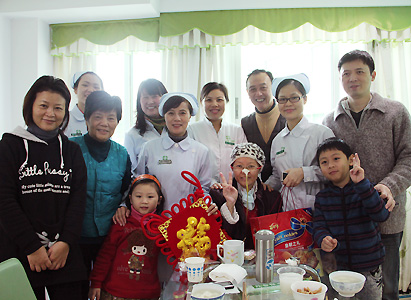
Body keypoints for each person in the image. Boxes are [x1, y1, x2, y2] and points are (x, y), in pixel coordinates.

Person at [323, 50, 410, 300]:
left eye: (359, 71)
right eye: (346, 73)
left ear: (372, 75)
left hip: (387, 217)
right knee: (349, 290)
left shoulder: (396, 112)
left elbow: (409, 157)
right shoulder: (331, 121)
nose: (353, 78)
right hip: (350, 225)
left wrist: (389, 186)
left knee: (388, 288)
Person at [0, 76, 87, 299]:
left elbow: (78, 201)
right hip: (21, 251)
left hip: (64, 253)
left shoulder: (71, 151)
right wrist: (32, 247)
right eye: (43, 106)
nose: (50, 113)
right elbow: (4, 200)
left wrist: (65, 242)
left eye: (58, 108)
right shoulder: (10, 145)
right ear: (30, 106)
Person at [70, 90, 131, 300]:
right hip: (75, 237)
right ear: (86, 119)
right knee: (77, 290)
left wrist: (124, 205)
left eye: (111, 118)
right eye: (98, 116)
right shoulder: (70, 148)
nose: (104, 123)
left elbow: (126, 190)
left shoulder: (122, 153)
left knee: (107, 290)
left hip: (110, 236)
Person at [313, 137, 390, 299]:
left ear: (350, 160)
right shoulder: (322, 197)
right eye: (324, 162)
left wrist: (361, 183)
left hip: (368, 267)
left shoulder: (366, 188)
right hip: (337, 269)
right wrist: (323, 238)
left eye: (336, 159)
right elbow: (318, 226)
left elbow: (381, 215)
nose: (331, 165)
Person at [265, 73, 334, 211]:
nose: (288, 104)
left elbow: (336, 170)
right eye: (283, 99)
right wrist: (264, 186)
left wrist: (304, 173)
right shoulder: (278, 140)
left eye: (294, 98)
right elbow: (278, 175)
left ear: (305, 99)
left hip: (320, 210)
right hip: (288, 211)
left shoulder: (321, 133)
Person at [88, 175, 164, 300]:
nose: (144, 201)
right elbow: (105, 256)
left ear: (159, 200)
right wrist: (95, 283)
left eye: (150, 197)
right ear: (130, 198)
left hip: (147, 293)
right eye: (138, 196)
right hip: (114, 293)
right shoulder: (121, 222)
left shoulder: (161, 227)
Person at [135, 92, 213, 212]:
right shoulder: (149, 148)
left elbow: (204, 190)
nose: (177, 118)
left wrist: (209, 205)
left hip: (188, 222)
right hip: (154, 219)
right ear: (164, 116)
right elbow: (138, 183)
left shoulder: (201, 151)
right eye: (171, 113)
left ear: (189, 116)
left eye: (182, 113)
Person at [211, 143, 282, 250]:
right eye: (239, 166)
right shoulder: (219, 196)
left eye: (251, 166)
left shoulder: (272, 198)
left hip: (262, 254)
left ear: (259, 169)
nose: (245, 171)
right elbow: (222, 234)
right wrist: (230, 205)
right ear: (232, 168)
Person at [188, 82, 247, 188]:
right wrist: (210, 182)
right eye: (209, 100)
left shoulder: (236, 130)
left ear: (226, 102)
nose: (214, 104)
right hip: (203, 189)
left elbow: (245, 159)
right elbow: (191, 164)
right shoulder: (193, 130)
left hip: (233, 187)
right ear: (202, 102)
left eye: (219, 100)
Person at [241, 69, 286, 182]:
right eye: (253, 89)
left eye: (263, 88)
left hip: (288, 187)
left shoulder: (288, 119)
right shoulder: (245, 123)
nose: (258, 93)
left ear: (273, 88)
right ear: (247, 92)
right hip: (256, 190)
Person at [124, 79, 168, 174]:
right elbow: (131, 172)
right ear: (139, 101)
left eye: (154, 96)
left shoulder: (175, 130)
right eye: (145, 97)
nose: (150, 101)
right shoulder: (132, 135)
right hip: (146, 187)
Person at [64, 71, 104, 137]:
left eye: (96, 87)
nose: (90, 90)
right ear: (75, 89)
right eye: (85, 85)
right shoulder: (65, 119)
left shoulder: (104, 120)